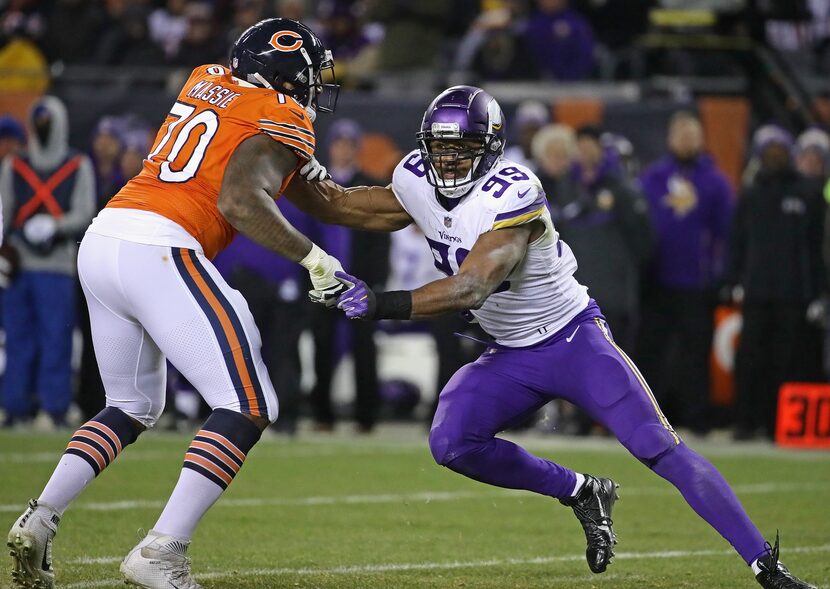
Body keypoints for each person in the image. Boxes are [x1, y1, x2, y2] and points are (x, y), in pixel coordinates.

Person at [285, 85, 817, 589]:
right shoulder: (415, 177)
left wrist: (380, 304)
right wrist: (292, 174)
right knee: (451, 443)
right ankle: (581, 490)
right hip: (508, 352)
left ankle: (765, 566)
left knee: (658, 447)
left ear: (490, 149)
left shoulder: (514, 191)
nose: (447, 161)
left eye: (462, 148)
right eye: (439, 148)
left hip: (570, 340)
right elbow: (344, 205)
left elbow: (471, 287)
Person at [7, 18, 347, 589]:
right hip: (161, 244)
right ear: (287, 71)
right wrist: (313, 256)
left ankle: (38, 518)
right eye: (311, 74)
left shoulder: (203, 77)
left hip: (105, 235)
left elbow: (229, 137)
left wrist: (287, 158)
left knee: (130, 404)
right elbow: (242, 194)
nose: (315, 88)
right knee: (250, 402)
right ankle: (162, 550)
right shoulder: (284, 115)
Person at [0, 96, 96, 429]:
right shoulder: (14, 165)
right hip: (19, 264)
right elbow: (5, 212)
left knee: (56, 337)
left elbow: (84, 212)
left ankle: (52, 406)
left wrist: (56, 225)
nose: (42, 128)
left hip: (57, 264)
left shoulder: (77, 164)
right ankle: (13, 404)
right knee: (17, 336)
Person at [638, 111, 734, 435]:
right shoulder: (653, 177)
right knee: (651, 354)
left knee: (696, 355)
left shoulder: (716, 182)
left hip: (697, 283)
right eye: (679, 133)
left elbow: (726, 234)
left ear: (701, 138)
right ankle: (646, 419)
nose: (685, 140)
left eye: (691, 133)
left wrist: (720, 274)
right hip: (657, 281)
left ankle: (697, 419)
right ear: (669, 138)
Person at [727, 125, 826, 441]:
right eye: (768, 151)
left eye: (779, 150)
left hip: (793, 295)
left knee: (788, 362)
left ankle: (780, 424)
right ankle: (746, 422)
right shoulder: (752, 195)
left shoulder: (808, 194)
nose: (774, 156)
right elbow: (738, 242)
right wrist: (733, 279)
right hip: (757, 293)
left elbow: (817, 247)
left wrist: (819, 292)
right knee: (750, 360)